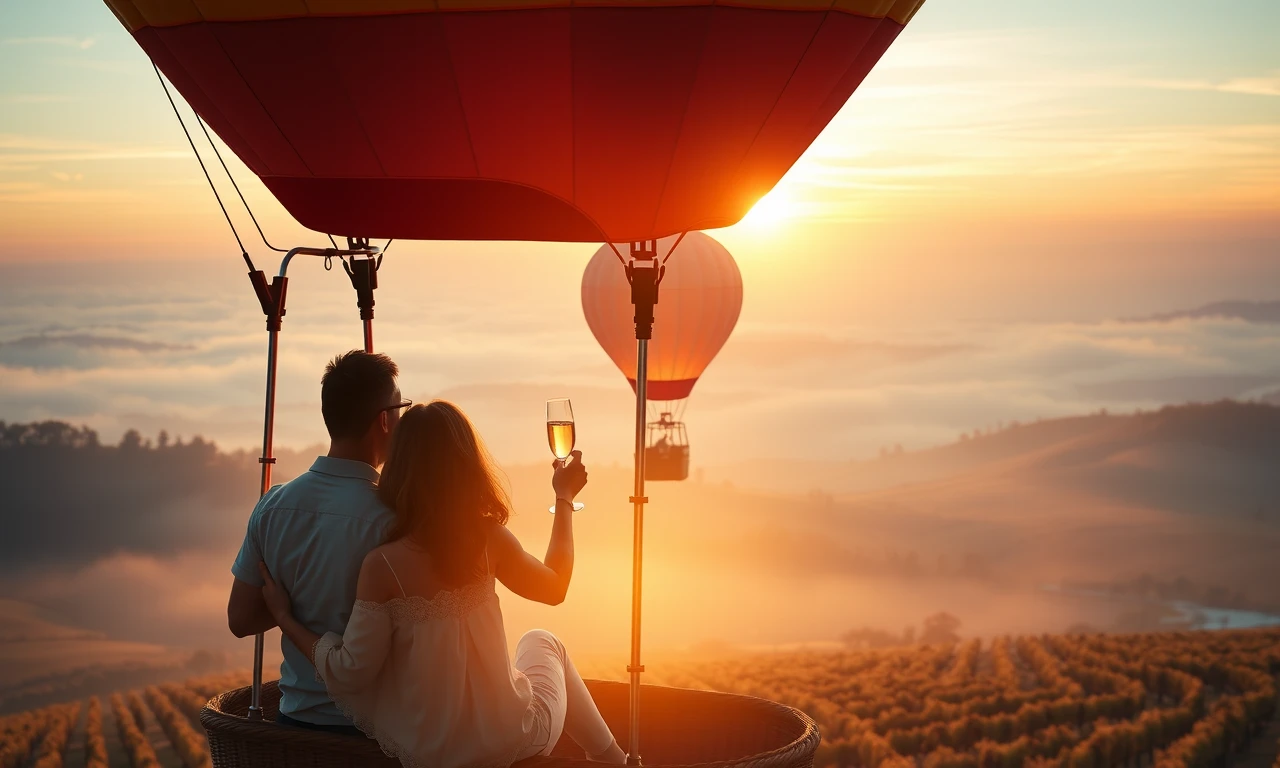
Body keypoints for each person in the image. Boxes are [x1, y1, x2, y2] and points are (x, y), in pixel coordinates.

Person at [257, 401, 627, 766]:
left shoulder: (382, 565)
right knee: (543, 641)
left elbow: (350, 671)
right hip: (507, 739)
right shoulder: (487, 539)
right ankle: (616, 761)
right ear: (468, 465)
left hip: (432, 750)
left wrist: (285, 618)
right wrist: (563, 498)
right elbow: (555, 588)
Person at [227, 351, 409, 735]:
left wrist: (288, 610)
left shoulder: (272, 507)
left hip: (295, 723)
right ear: (384, 420)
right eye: (400, 408)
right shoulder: (395, 518)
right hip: (376, 734)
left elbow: (240, 620)